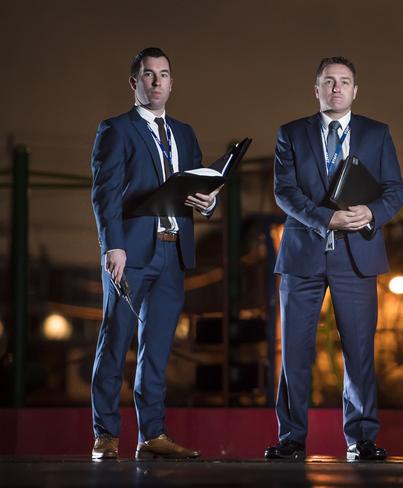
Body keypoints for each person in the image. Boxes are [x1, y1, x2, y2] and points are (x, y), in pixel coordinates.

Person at [265, 56, 403, 461]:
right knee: (294, 351)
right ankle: (292, 438)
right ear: (316, 88)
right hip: (302, 256)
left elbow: (396, 191)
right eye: (329, 81)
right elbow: (285, 192)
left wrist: (372, 214)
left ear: (355, 90)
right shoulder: (289, 133)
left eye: (344, 82)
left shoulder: (377, 134)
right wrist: (325, 217)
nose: (336, 89)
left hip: (357, 258)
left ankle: (361, 438)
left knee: (359, 351)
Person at [90, 47, 219, 460]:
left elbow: (198, 188)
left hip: (173, 254)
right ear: (135, 83)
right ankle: (106, 435)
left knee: (157, 349)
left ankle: (153, 434)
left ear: (172, 82)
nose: (157, 81)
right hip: (132, 254)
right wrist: (113, 246)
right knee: (115, 342)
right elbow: (105, 194)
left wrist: (209, 204)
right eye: (149, 75)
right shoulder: (115, 129)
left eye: (164, 74)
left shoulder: (184, 133)